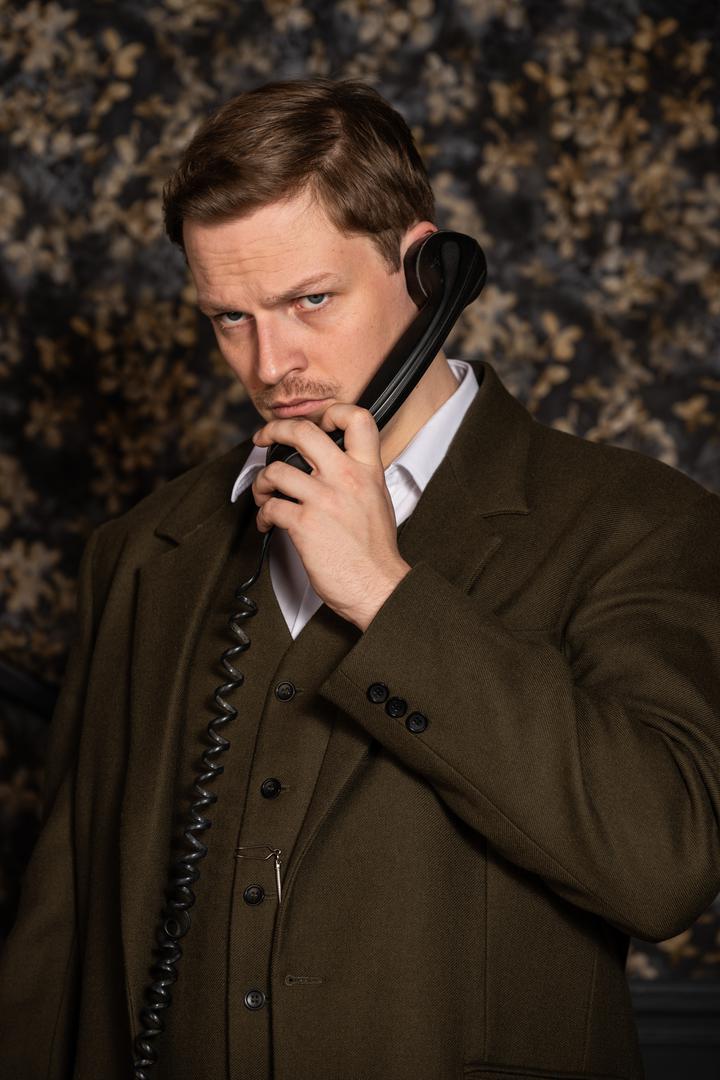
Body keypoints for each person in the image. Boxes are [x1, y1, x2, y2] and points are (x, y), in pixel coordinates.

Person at [0, 77, 718, 1080]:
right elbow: (60, 934)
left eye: (310, 300)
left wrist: (386, 593)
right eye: (230, 318)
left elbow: (665, 864)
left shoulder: (635, 521)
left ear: (427, 270)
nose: (271, 364)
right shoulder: (143, 552)